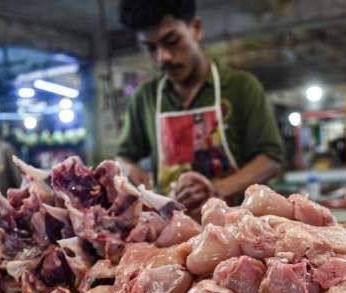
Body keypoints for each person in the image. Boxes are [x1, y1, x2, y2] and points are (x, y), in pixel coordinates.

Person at [116, 0, 285, 211]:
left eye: (172, 41)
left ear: (195, 29)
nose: (163, 58)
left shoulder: (241, 87)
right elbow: (123, 157)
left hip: (238, 223)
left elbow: (270, 158)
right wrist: (131, 171)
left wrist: (215, 190)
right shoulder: (145, 97)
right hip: (172, 225)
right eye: (151, 48)